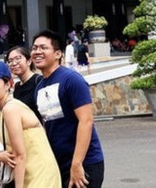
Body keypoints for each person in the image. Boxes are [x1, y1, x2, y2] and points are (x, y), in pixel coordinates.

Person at [31, 30, 104, 188]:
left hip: (85, 162)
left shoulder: (71, 79)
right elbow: (47, 124)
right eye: (34, 48)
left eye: (43, 48)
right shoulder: (39, 87)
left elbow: (86, 121)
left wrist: (77, 164)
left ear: (57, 54)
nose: (37, 52)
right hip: (59, 163)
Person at [0, 60, 61, 188]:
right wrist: (1, 155)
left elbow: (20, 156)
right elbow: (12, 149)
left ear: (8, 84)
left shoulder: (10, 109)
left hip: (39, 175)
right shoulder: (3, 111)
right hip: (30, 173)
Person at [5, 45, 42, 120]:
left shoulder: (39, 81)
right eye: (10, 61)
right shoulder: (17, 86)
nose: (14, 63)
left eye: (18, 59)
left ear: (29, 61)